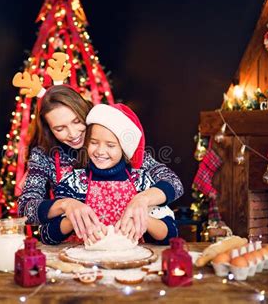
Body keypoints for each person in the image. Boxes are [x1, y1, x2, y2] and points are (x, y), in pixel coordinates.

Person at [18, 85, 183, 243]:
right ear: (49, 129)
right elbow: (26, 209)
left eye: (77, 121)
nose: (73, 134)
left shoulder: (117, 145)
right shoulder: (43, 156)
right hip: (74, 247)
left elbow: (174, 183)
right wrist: (66, 205)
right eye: (60, 128)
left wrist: (142, 200)